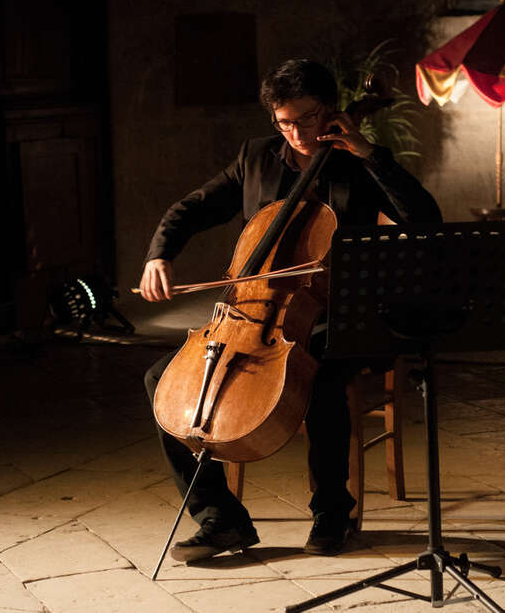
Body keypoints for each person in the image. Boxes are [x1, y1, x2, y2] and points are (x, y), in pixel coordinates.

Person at [141, 58, 441, 563]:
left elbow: (423, 218)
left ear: (329, 110)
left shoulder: (357, 161)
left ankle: (331, 512)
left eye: (306, 119)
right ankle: (219, 517)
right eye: (284, 122)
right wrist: (158, 254)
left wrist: (368, 152)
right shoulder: (256, 159)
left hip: (342, 311)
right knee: (161, 380)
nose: (297, 132)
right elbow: (192, 207)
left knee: (318, 371)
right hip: (254, 316)